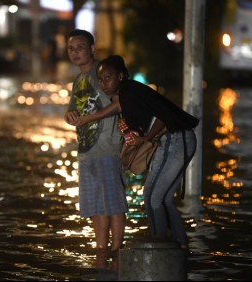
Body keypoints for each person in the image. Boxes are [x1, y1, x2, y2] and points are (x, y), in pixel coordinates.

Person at [96, 54, 199, 250]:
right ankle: (181, 248)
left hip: (175, 139)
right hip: (182, 138)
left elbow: (161, 117)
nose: (103, 83)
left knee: (152, 196)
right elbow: (149, 120)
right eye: (100, 79)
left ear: (120, 76)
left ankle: (159, 248)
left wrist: (147, 138)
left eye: (107, 78)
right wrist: (132, 132)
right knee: (164, 198)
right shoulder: (130, 93)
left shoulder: (130, 93)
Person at [64, 30, 128, 267]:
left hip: (108, 147)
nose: (75, 52)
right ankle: (102, 254)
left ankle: (117, 253)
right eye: (71, 48)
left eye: (80, 47)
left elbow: (121, 103)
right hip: (86, 149)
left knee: (113, 203)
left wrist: (90, 119)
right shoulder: (78, 79)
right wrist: (69, 115)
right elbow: (72, 110)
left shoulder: (103, 71)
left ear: (92, 48)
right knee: (95, 206)